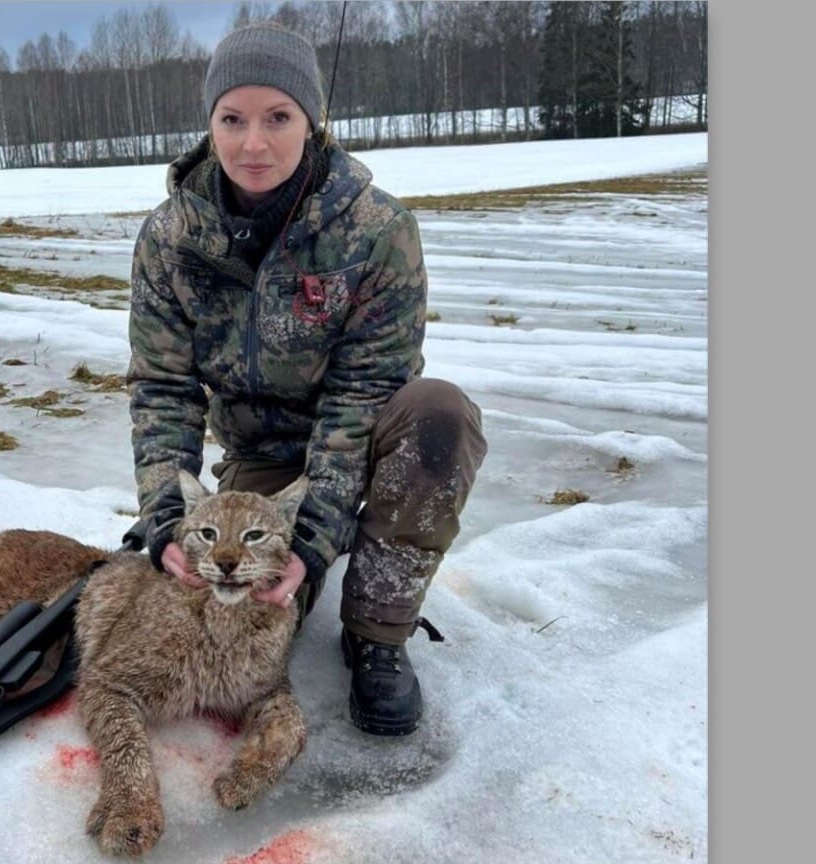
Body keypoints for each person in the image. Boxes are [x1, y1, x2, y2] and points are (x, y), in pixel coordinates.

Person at [121, 22, 488, 737]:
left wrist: (312, 544)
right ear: (210, 123)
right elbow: (162, 389)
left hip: (363, 446)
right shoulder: (169, 239)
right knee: (226, 601)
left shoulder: (378, 231)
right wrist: (168, 519)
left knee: (440, 413)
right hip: (260, 461)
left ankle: (378, 634)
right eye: (232, 119)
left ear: (312, 122)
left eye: (278, 118)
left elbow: (362, 399)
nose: (252, 144)